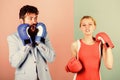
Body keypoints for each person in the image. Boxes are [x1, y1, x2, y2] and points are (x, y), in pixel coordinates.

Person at [7, 5, 56, 80]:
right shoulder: (13, 38)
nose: (34, 21)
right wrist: (27, 44)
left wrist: (39, 43)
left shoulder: (43, 35)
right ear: (21, 21)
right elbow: (14, 63)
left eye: (35, 18)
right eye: (31, 18)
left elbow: (52, 58)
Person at [71, 16, 114, 80]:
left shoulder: (100, 44)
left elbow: (109, 66)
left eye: (90, 24)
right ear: (80, 28)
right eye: (84, 25)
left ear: (94, 27)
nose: (87, 27)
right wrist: (72, 68)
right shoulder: (75, 45)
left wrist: (108, 45)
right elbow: (73, 65)